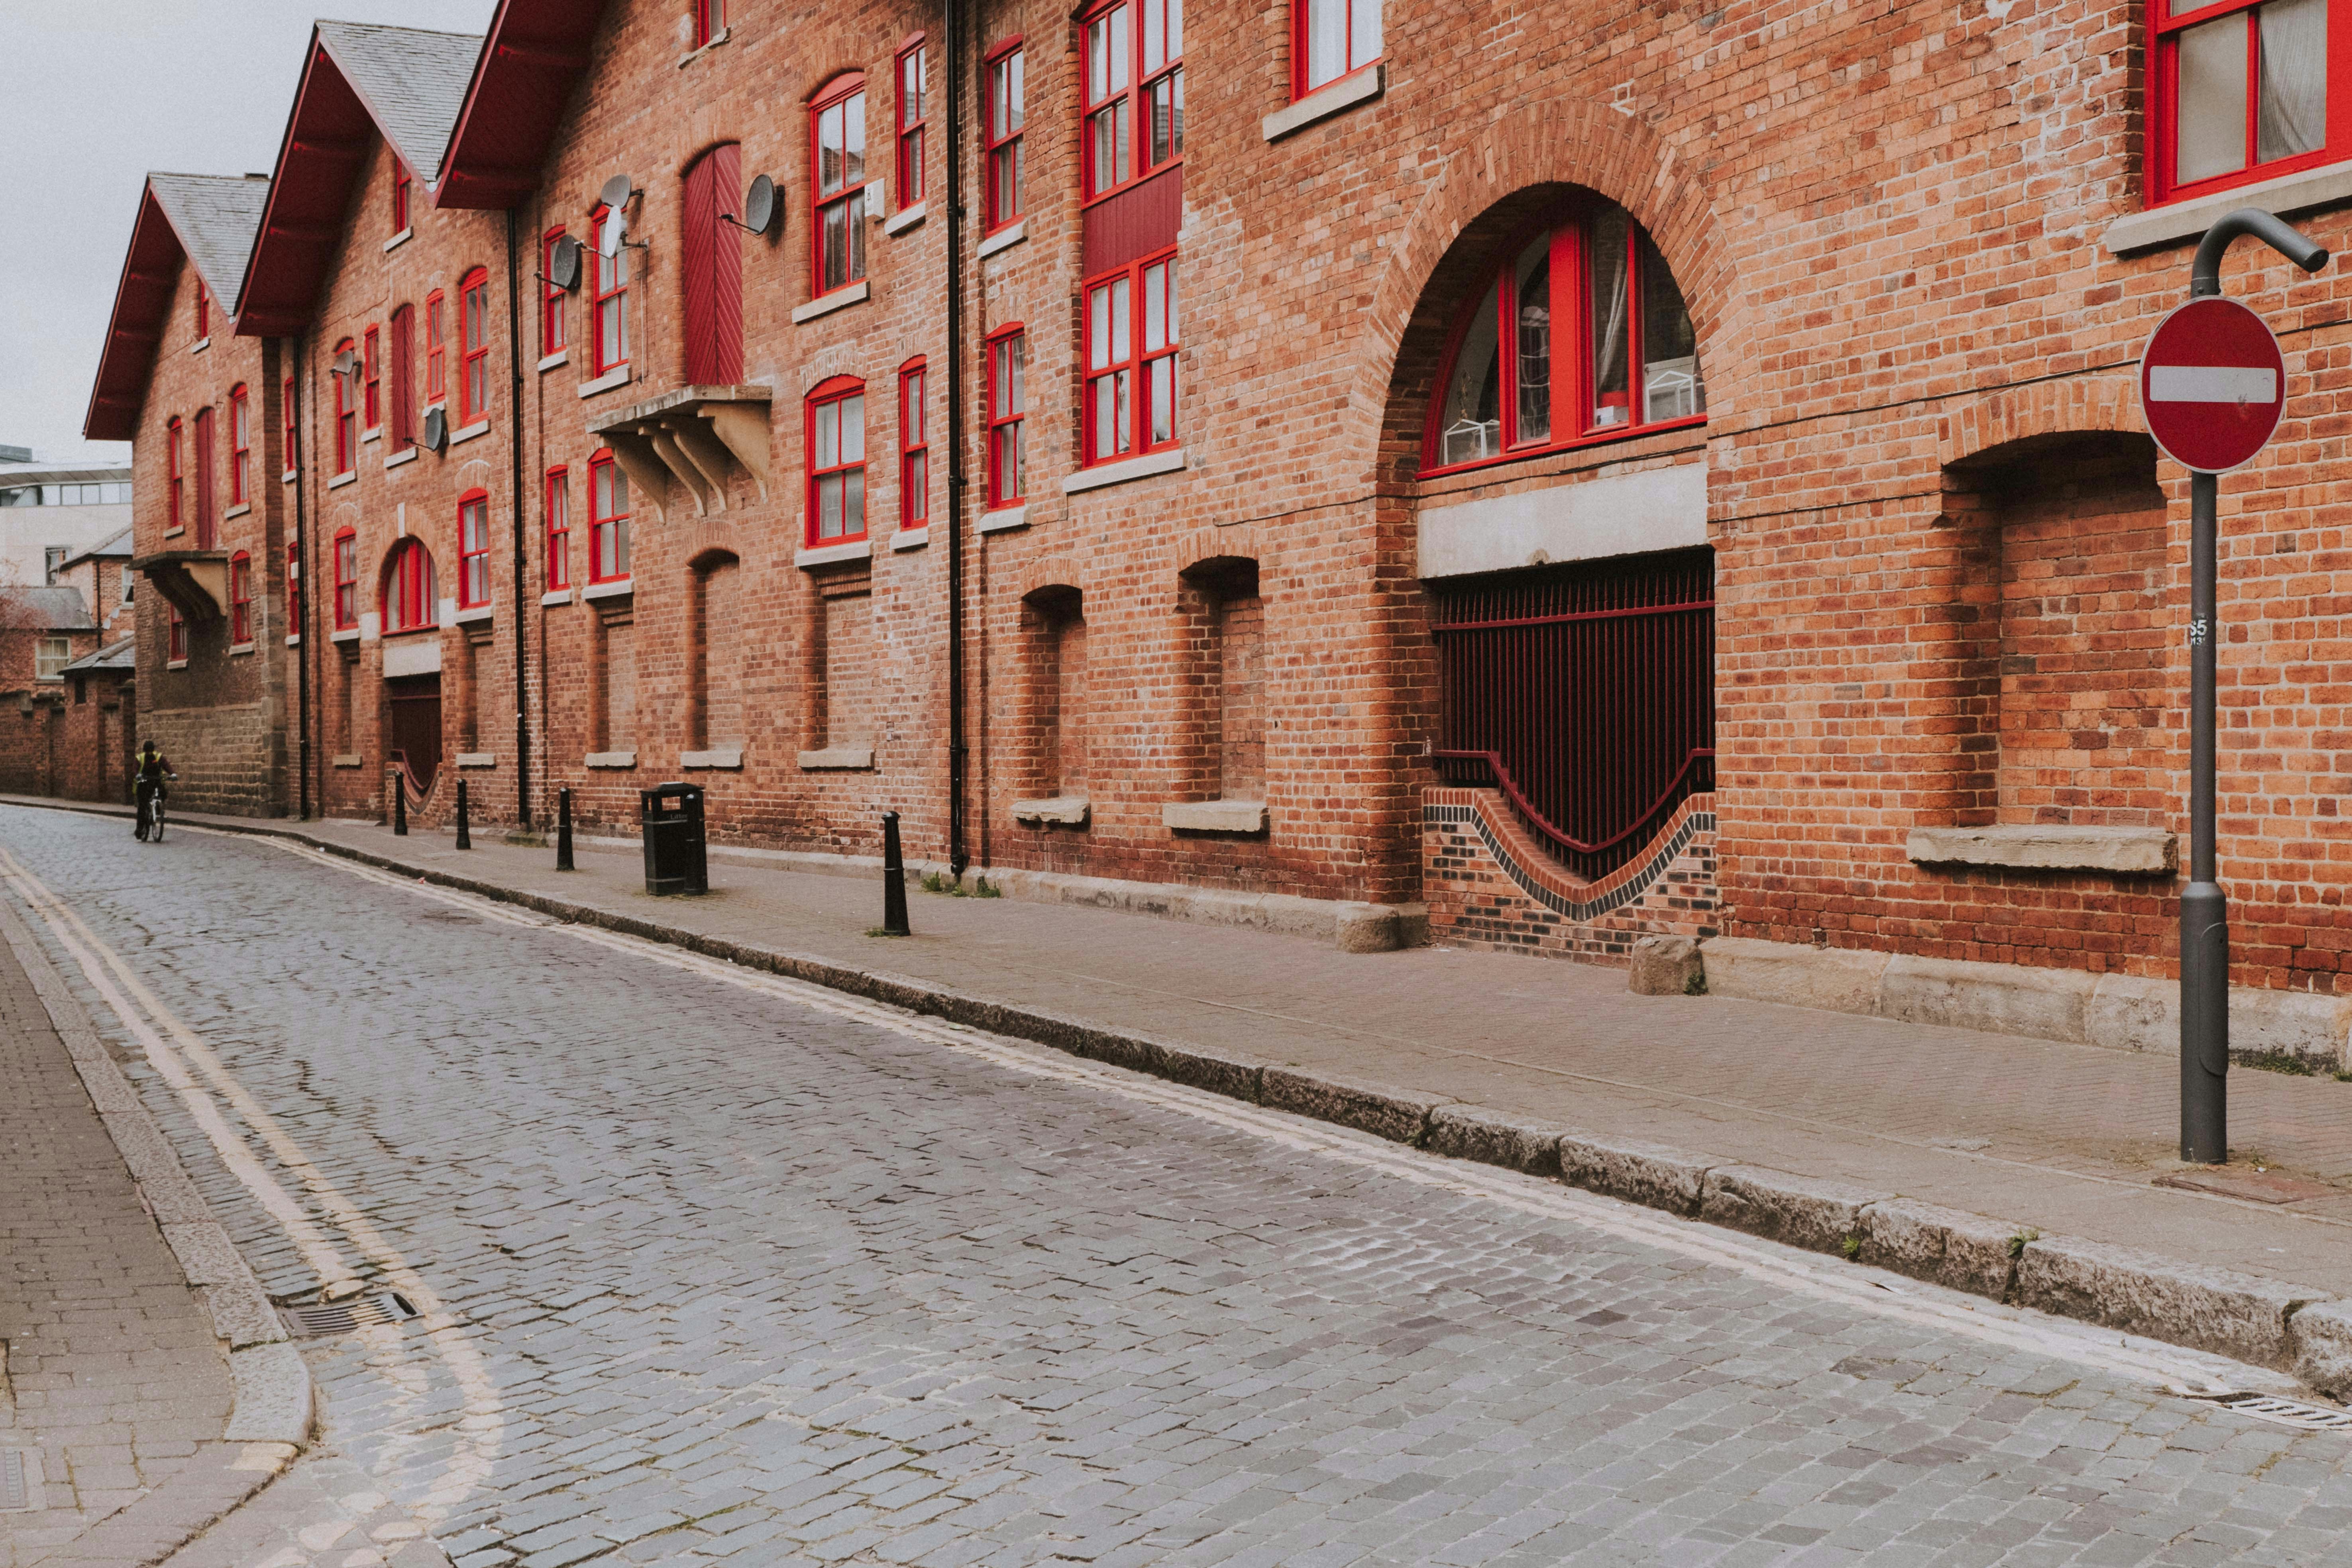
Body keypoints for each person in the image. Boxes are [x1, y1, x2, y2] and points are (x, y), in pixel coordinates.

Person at [133, 740, 176, 841]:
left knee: (163, 793)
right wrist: (137, 775)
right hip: (144, 782)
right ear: (145, 751)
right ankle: (140, 829)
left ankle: (158, 811)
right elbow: (135, 769)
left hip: (156, 780)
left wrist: (173, 774)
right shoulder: (140, 758)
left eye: (151, 752)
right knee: (142, 806)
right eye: (148, 752)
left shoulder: (158, 757)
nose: (149, 754)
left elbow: (166, 765)